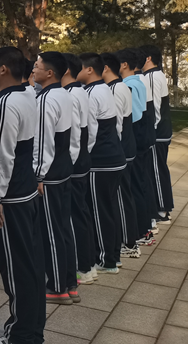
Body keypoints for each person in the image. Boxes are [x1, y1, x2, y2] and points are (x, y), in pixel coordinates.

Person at [0, 47, 46, 344]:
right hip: (24, 189)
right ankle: (33, 329)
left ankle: (21, 333)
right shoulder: (27, 94)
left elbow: (1, 154)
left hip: (10, 197)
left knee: (16, 269)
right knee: (30, 264)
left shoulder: (8, 102)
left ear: (4, 69)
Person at [33, 52, 75, 305]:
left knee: (50, 231)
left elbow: (43, 141)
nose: (33, 71)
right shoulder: (64, 94)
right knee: (62, 227)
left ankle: (57, 286)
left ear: (50, 73)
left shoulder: (46, 99)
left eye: (37, 67)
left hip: (50, 173)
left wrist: (38, 173)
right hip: (63, 168)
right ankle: (69, 282)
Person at [78, 53, 125, 274]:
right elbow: (118, 125)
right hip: (114, 157)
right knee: (109, 208)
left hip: (101, 161)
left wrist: (83, 157)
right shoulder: (105, 89)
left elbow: (91, 133)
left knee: (99, 211)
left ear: (89, 70)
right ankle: (113, 256)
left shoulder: (90, 93)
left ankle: (106, 259)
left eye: (79, 67)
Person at [117, 49, 157, 246]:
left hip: (136, 137)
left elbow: (131, 116)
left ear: (123, 64)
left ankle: (141, 232)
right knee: (140, 184)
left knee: (135, 187)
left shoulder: (129, 85)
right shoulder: (137, 82)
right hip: (143, 137)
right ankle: (145, 229)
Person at [102, 52, 140, 259]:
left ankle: (130, 242)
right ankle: (128, 239)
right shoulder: (118, 86)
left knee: (122, 196)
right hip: (124, 147)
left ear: (105, 68)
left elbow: (115, 124)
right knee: (123, 195)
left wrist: (112, 149)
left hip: (122, 149)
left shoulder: (117, 88)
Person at [62, 53, 92, 294]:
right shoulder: (80, 91)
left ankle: (82, 265)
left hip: (74, 164)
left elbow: (75, 134)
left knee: (74, 216)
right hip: (81, 159)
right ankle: (86, 263)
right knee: (80, 213)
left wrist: (71, 163)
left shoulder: (71, 95)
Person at [140, 45, 173, 224]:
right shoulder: (156, 75)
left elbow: (155, 107)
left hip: (157, 132)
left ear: (148, 59)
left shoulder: (152, 76)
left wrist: (150, 131)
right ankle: (163, 207)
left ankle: (162, 209)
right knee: (158, 168)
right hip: (161, 131)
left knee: (157, 170)